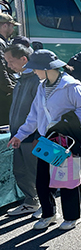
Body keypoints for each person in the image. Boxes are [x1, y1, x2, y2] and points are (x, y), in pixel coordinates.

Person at [8, 50, 81, 230]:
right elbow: (33, 116)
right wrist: (20, 135)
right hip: (47, 140)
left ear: (47, 68)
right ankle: (49, 214)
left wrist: (66, 126)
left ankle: (73, 217)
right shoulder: (42, 86)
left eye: (36, 68)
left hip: (67, 140)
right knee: (43, 180)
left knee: (69, 180)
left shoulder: (71, 85)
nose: (34, 71)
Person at [4, 42, 41, 217]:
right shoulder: (21, 79)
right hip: (18, 135)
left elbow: (40, 112)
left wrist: (37, 135)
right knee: (20, 170)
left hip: (31, 136)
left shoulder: (36, 80)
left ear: (24, 59)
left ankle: (47, 207)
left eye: (11, 61)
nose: (8, 65)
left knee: (36, 172)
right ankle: (31, 202)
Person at [0, 13, 18, 125]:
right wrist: (9, 87)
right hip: (3, 92)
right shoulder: (0, 43)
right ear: (5, 26)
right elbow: (1, 68)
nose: (13, 29)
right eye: (12, 26)